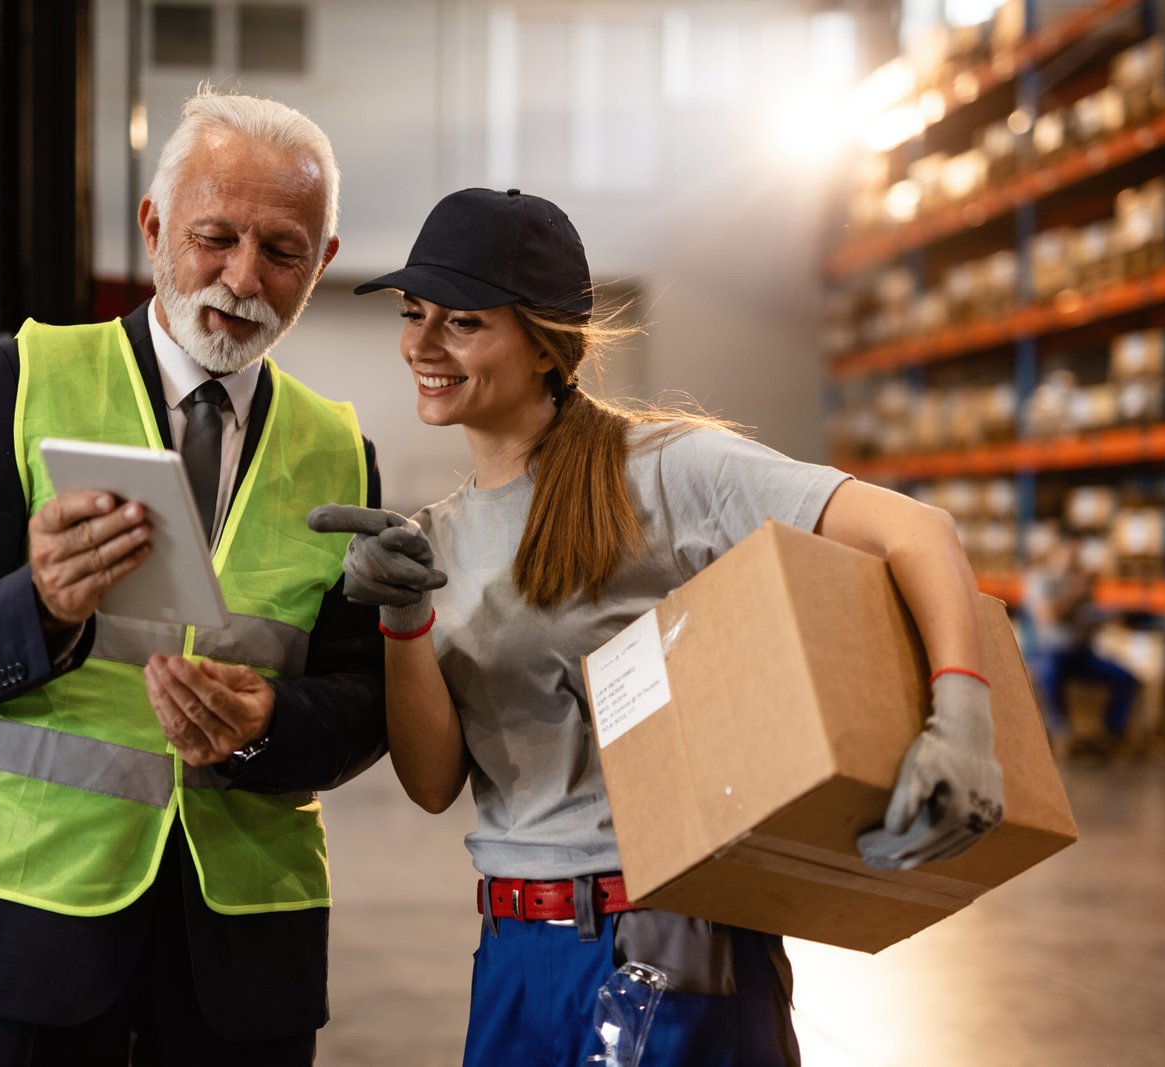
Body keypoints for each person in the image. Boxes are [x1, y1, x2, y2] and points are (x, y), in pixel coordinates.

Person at [308, 187, 1006, 1066]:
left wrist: (964, 716)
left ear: (545, 341)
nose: (423, 344)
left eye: (464, 322)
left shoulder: (664, 470)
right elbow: (433, 781)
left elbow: (918, 530)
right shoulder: (436, 537)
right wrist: (403, 625)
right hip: (514, 951)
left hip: (666, 946)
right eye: (415, 315)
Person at [0, 89, 386, 1065]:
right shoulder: (18, 381)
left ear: (320, 265)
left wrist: (267, 725)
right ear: (153, 226)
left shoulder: (340, 451)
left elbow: (362, 697)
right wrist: (40, 605)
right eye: (215, 236)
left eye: (281, 252)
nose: (242, 278)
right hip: (19, 921)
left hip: (241, 952)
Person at [1022, 534, 1139, 757]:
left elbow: (1086, 619)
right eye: (1070, 555)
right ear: (1055, 555)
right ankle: (1061, 733)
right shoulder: (1040, 580)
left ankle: (1111, 734)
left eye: (1077, 556)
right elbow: (1049, 616)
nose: (1074, 561)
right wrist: (1076, 592)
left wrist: (1109, 616)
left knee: (1126, 678)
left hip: (1080, 653)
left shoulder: (1081, 585)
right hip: (1051, 652)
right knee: (1048, 674)